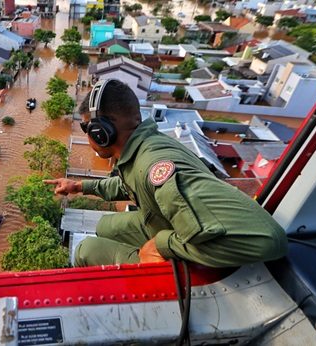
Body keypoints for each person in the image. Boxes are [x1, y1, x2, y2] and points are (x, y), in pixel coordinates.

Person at [44, 79, 287, 268]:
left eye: (87, 128)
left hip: (180, 238)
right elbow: (129, 184)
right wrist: (79, 186)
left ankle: (151, 269)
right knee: (106, 226)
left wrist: (162, 245)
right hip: (161, 221)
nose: (88, 135)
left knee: (86, 250)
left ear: (101, 131)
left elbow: (269, 239)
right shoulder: (140, 149)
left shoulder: (154, 167)